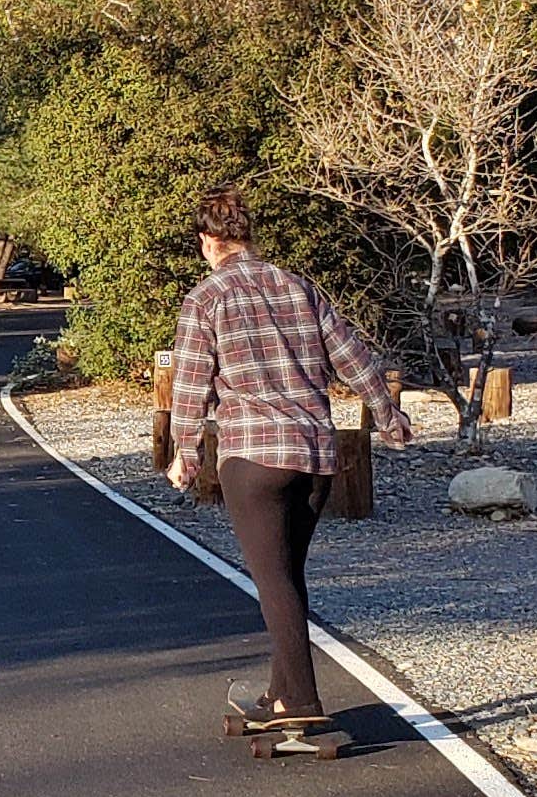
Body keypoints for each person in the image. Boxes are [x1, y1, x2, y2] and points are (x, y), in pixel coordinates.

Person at [163, 191, 409, 726]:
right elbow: (352, 356)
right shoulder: (299, 287)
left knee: (272, 580)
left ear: (209, 241)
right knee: (286, 576)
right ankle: (280, 694)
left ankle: (300, 702)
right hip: (316, 456)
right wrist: (387, 415)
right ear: (248, 236)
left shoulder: (206, 299)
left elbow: (190, 385)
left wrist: (186, 452)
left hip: (253, 459)